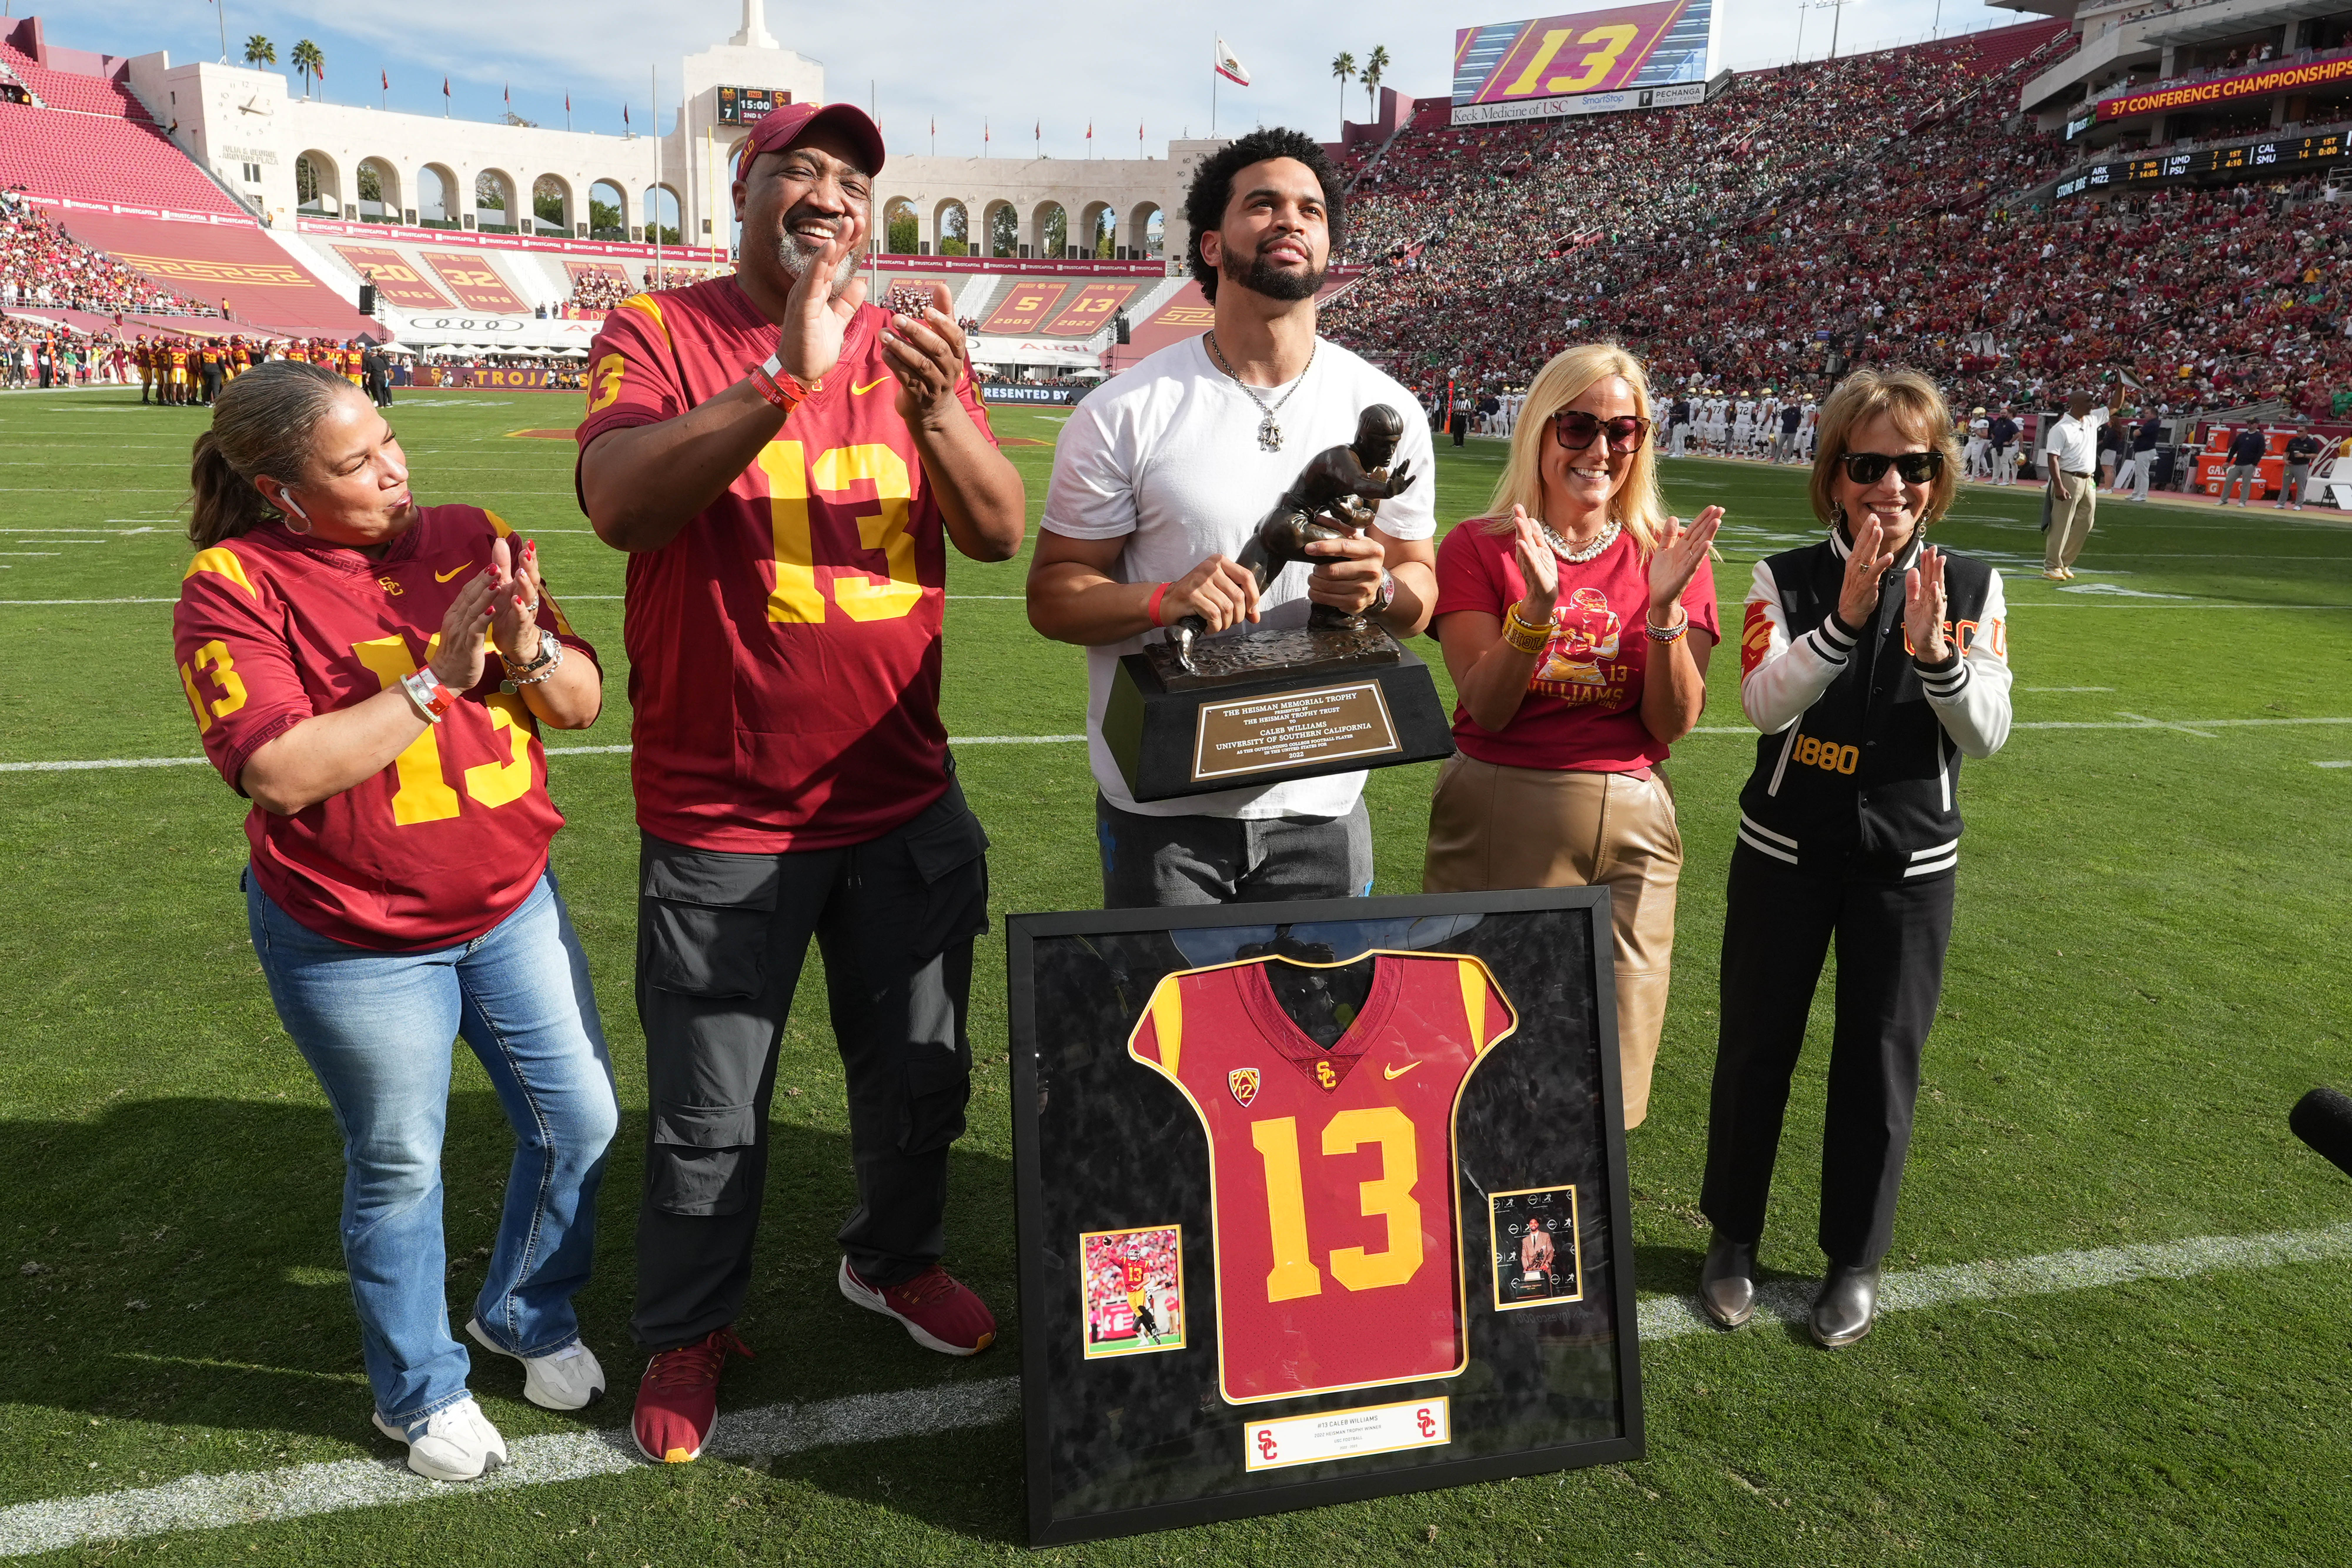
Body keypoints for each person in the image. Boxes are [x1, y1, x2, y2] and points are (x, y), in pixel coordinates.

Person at [575, 100, 1025, 1467]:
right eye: (799, 170)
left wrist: (942, 412)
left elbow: (997, 530)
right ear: (744, 193)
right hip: (726, 814)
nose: (829, 192)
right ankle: (690, 1326)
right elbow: (618, 502)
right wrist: (779, 379)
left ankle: (889, 1259)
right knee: (709, 1108)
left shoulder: (912, 346)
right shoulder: (660, 331)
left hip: (899, 795)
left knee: (914, 1080)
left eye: (852, 178)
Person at [171, 360, 617, 1480]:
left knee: (584, 1119)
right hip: (355, 935)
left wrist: (527, 646)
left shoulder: (469, 529)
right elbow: (277, 770)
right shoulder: (234, 582)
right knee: (399, 1162)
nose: (394, 468)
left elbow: (579, 703)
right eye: (355, 462)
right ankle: (417, 1390)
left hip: (513, 902)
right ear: (281, 491)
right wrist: (437, 682)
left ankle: (520, 1310)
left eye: (388, 439)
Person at [1028, 126, 1438, 907]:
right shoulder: (1125, 409)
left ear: (1327, 246)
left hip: (1323, 801)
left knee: (1319, 1027)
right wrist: (1162, 599)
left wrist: (1378, 590)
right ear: (1212, 246)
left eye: (1310, 210)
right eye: (1264, 204)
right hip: (1166, 811)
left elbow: (1420, 589)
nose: (1291, 220)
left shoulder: (1389, 410)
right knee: (1168, 1026)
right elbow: (1052, 595)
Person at [1696, 368, 2012, 1349]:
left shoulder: (1970, 583)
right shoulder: (1783, 576)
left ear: (1938, 474)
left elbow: (1990, 729)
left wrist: (1935, 655)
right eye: (1868, 464)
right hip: (1785, 849)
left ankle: (1854, 1260)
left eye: (1912, 465)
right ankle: (1733, 1238)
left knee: (1880, 1063)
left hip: (1911, 864)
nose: (1892, 486)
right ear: (1834, 475)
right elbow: (1760, 702)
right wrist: (1842, 618)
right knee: (1757, 1046)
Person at [1420, 343, 1720, 1129]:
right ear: (1539, 433)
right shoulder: (1478, 546)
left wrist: (1662, 616)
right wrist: (1535, 616)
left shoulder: (1670, 553)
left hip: (1634, 815)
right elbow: (1486, 707)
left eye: (1622, 431)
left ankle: (1579, 1239)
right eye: (1578, 426)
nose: (1600, 450)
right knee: (1482, 1049)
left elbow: (1672, 722)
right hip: (1502, 802)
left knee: (1615, 1062)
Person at [2040, 384, 2121, 581]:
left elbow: (2115, 406)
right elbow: (2053, 458)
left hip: (2089, 479)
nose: (2092, 404)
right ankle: (2051, 566)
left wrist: (2121, 384)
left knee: (2086, 522)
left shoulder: (2091, 419)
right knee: (2061, 523)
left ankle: (2064, 562)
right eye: (2087, 401)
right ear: (2075, 404)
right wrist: (2058, 485)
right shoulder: (2061, 428)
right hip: (2068, 477)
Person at [2217, 423, 2266, 506]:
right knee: (2229, 480)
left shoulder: (2260, 437)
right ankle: (2223, 499)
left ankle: (2242, 501)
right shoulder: (2242, 436)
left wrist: (2254, 463)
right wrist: (2228, 461)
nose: (2249, 425)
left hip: (2249, 464)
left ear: (2257, 425)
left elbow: (2261, 451)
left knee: (2246, 483)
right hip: (2238, 462)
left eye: (2252, 423)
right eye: (2249, 423)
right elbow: (2234, 449)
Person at [2279, 419, 2321, 510]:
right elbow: (2286, 452)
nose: (2298, 433)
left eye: (2301, 431)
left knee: (2300, 486)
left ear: (2307, 432)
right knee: (2285, 485)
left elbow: (2316, 455)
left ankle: (2299, 504)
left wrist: (2304, 455)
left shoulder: (2311, 443)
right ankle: (2281, 503)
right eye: (2297, 431)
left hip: (2302, 466)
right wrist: (2285, 460)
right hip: (2290, 465)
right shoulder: (2293, 441)